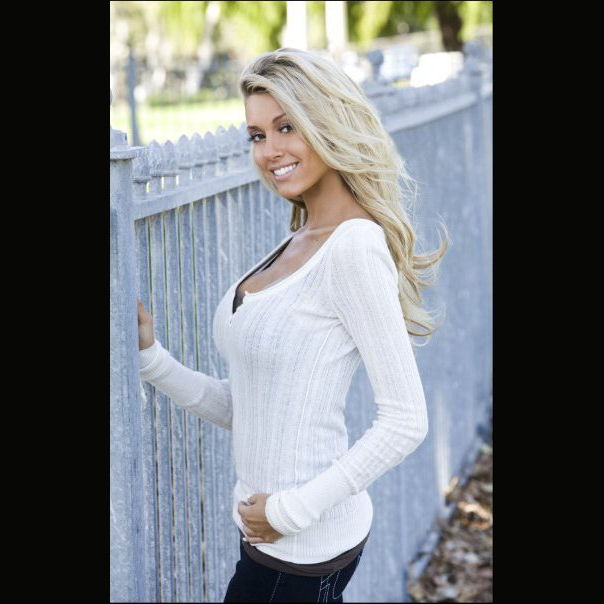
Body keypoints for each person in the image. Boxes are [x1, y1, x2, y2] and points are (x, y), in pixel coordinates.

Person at [137, 48, 449, 603]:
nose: (270, 150)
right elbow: (249, 406)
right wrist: (151, 357)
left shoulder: (353, 248)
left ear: (327, 123)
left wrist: (290, 510)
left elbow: (406, 420)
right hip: (272, 543)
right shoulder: (300, 238)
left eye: (287, 127)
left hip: (301, 555)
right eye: (257, 135)